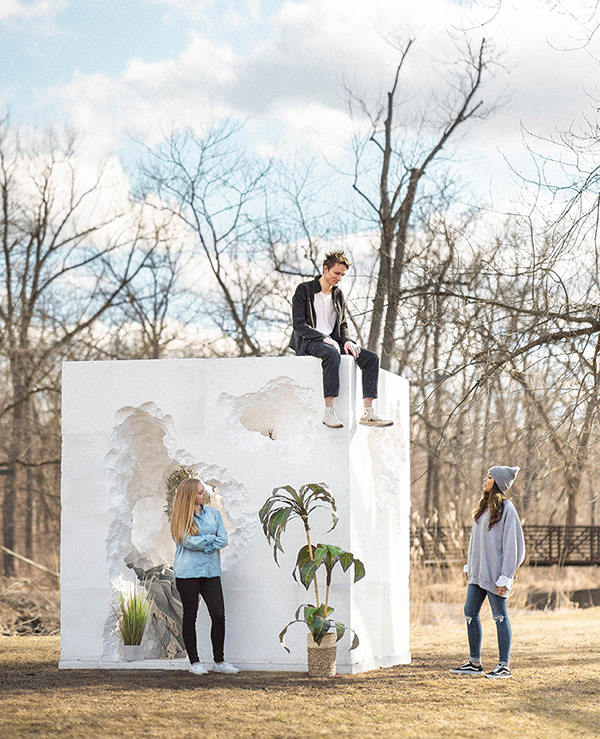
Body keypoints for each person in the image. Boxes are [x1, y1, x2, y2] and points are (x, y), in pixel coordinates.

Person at [289, 250, 393, 429]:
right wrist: (322, 338)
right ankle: (329, 411)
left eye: (342, 275)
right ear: (325, 269)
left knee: (371, 358)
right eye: (336, 273)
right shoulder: (304, 290)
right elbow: (299, 325)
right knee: (331, 354)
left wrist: (347, 341)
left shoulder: (338, 295)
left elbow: (342, 324)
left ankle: (368, 413)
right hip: (309, 342)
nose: (339, 278)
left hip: (334, 342)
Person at [450, 465, 525, 679]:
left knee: (500, 616)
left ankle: (504, 665)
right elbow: (475, 541)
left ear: (498, 483)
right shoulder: (483, 507)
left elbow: (514, 546)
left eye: (490, 477)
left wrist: (506, 576)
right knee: (469, 613)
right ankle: (475, 662)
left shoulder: (507, 509)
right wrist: (469, 565)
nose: (485, 479)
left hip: (496, 574)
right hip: (478, 573)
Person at [170, 477, 239, 675]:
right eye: (200, 492)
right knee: (190, 615)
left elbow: (223, 540)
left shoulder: (214, 514)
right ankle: (194, 662)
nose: (204, 494)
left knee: (218, 615)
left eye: (203, 491)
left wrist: (203, 542)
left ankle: (219, 661)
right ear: (190, 495)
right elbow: (186, 541)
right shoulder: (180, 517)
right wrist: (210, 539)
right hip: (188, 573)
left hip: (211, 572)